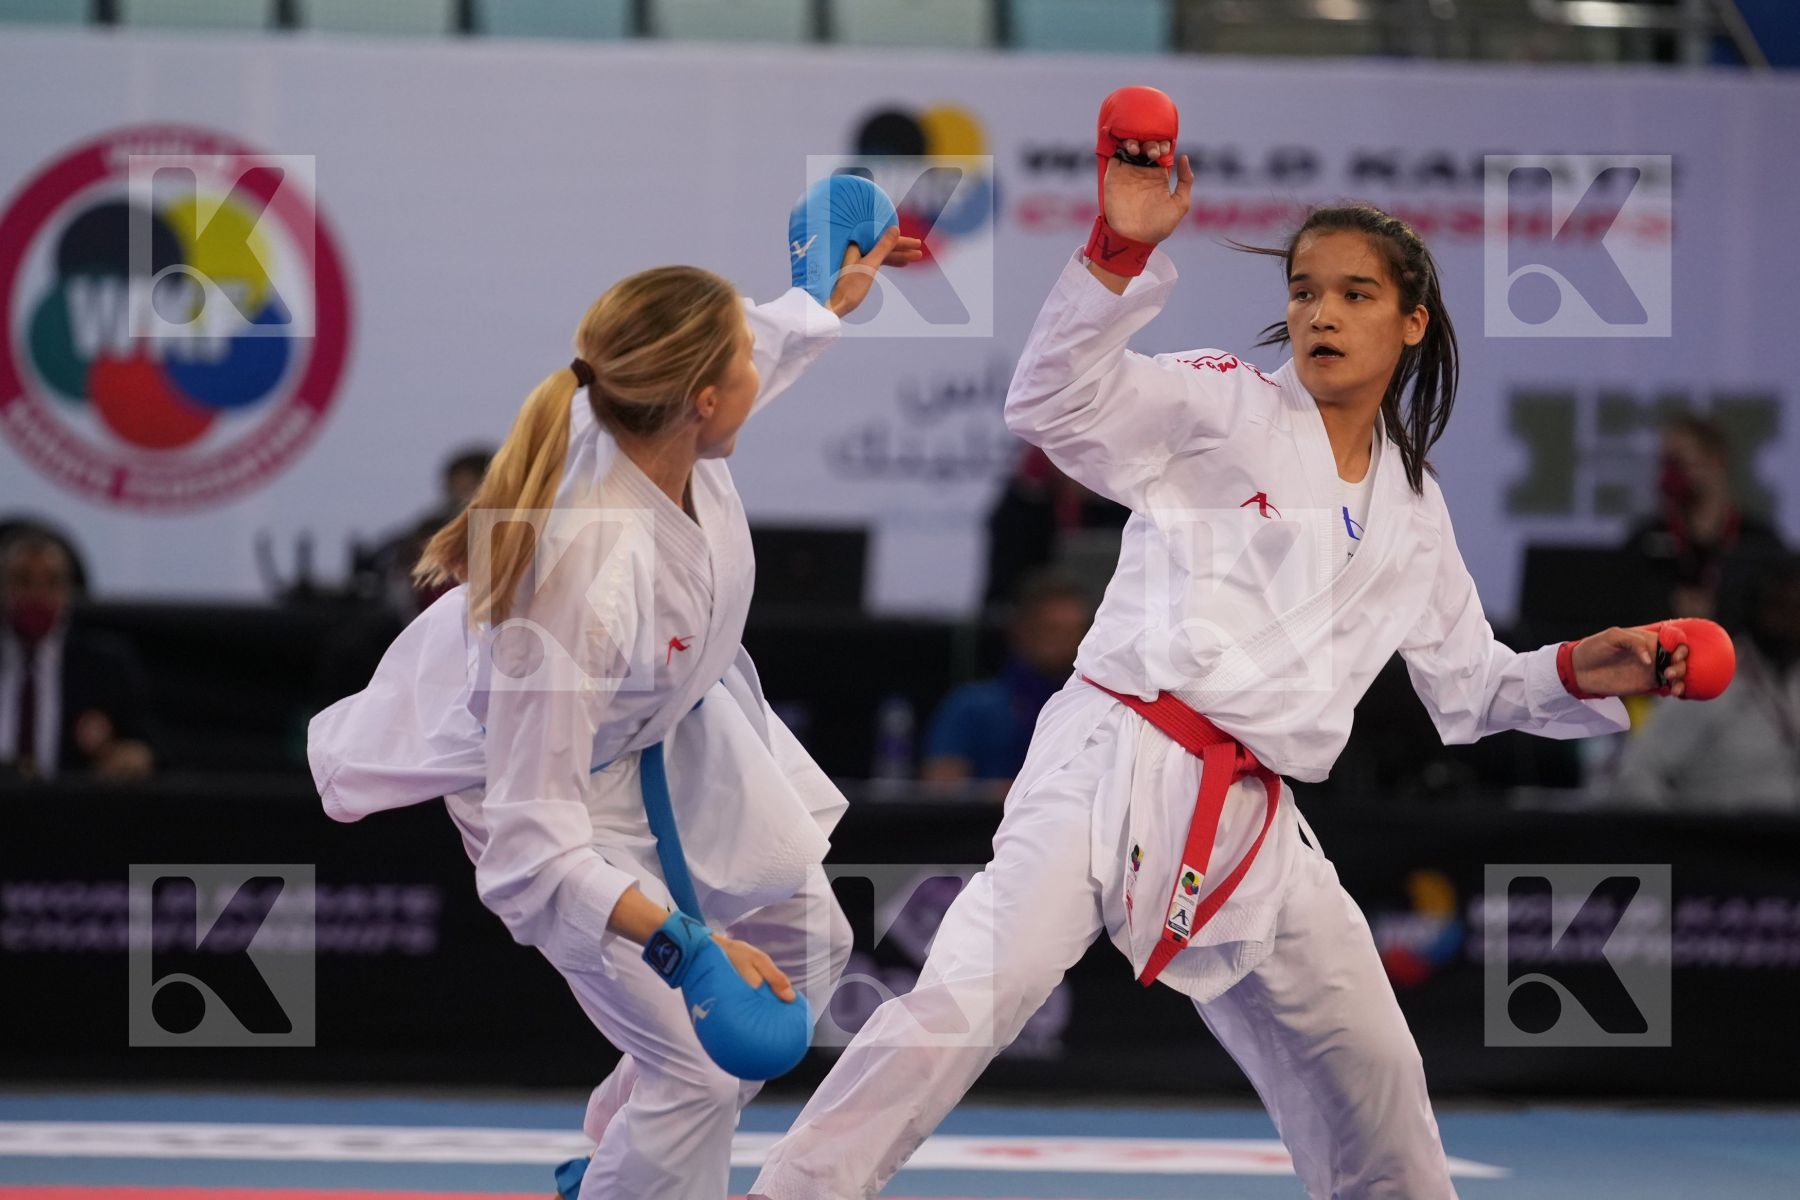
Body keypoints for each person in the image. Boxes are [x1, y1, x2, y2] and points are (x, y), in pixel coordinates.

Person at [750, 88, 1715, 1200]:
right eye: (1306, 290)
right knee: (969, 995)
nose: (1323, 312)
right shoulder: (1222, 404)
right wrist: (1117, 250)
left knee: (1379, 1075)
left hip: (1255, 812)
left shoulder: (1414, 503)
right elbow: (1049, 403)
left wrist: (1595, 663)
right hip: (1113, 753)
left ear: (1412, 322)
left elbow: (1470, 689)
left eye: (1357, 293)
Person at [309, 192, 921, 1200]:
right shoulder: (578, 580)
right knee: (694, 1070)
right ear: (703, 401)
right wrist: (679, 942)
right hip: (551, 786)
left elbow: (763, 347)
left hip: (667, 736)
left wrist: (827, 296)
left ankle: (612, 1157)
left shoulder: (661, 422)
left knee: (811, 946)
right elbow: (528, 847)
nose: (753, 370)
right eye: (740, 365)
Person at [1607, 554, 1800, 812]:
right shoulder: (1710, 681)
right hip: (1717, 842)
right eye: (1781, 608)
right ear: (1757, 607)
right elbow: (1638, 774)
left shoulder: (1792, 681)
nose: (1790, 621)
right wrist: (1677, 844)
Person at [0, 523, 153, 782]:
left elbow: (148, 748)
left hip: (71, 813)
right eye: (23, 580)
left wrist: (125, 755)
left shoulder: (105, 665)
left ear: (69, 592)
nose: (37, 595)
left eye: (51, 582)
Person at [921, 571, 1093, 790]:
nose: (1067, 643)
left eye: (1076, 632)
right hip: (987, 823)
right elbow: (940, 788)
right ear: (1021, 631)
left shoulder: (1096, 710)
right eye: (1052, 630)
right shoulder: (972, 706)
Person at [1621, 413, 1784, 620]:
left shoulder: (1759, 542)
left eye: (1678, 463)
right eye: (1665, 464)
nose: (1669, 474)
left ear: (1715, 462)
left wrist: (1722, 605)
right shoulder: (1645, 540)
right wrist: (1665, 601)